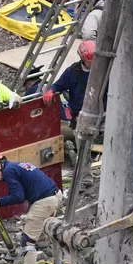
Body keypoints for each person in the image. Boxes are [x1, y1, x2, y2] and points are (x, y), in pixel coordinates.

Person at [0, 154, 62, 264]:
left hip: (45, 201)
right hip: (55, 195)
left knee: (28, 241)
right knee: (41, 232)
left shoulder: (8, 171)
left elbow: (18, 197)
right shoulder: (16, 165)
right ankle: (48, 258)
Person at [42, 40, 96, 188]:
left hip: (102, 112)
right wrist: (51, 91)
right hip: (81, 115)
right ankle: (86, 180)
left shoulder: (103, 70)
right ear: (83, 58)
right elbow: (58, 85)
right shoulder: (73, 72)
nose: (94, 63)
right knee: (84, 149)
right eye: (91, 60)